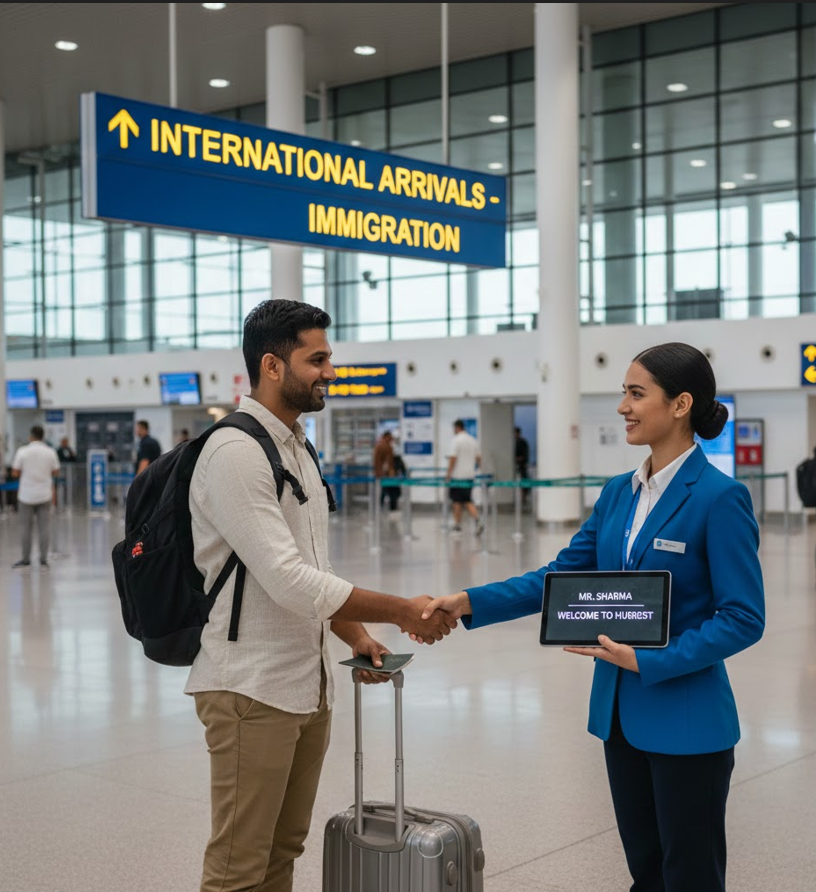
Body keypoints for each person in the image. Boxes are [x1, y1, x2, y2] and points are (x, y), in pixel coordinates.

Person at [420, 343, 765, 892]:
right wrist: (469, 601)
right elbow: (559, 579)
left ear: (680, 404)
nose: (623, 407)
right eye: (623, 393)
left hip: (688, 721)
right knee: (646, 871)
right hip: (619, 718)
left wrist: (650, 660)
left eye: (636, 394)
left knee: (690, 876)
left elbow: (743, 616)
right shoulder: (617, 494)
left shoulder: (719, 498)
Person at [185, 299, 455, 892]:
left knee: (282, 850)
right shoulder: (235, 453)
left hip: (305, 685)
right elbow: (289, 580)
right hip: (250, 688)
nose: (330, 371)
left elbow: (315, 569)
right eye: (317, 359)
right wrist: (402, 609)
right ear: (272, 366)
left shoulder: (297, 447)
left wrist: (357, 635)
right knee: (238, 865)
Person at [11, 425, 60, 570]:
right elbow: (56, 472)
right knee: (44, 528)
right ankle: (43, 560)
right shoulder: (50, 452)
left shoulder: (23, 451)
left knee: (25, 529)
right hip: (45, 495)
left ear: (31, 436)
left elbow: (15, 472)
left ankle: (25, 559)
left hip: (26, 496)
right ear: (43, 436)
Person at [446, 419, 482, 534]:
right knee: (465, 499)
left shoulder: (456, 440)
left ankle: (462, 524)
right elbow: (479, 458)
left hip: (458, 476)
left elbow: (453, 458)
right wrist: (476, 469)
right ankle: (462, 523)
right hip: (470, 475)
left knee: (459, 501)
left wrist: (448, 474)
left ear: (457, 428)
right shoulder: (473, 440)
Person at [373, 429, 400, 511]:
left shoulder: (382, 445)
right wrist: (383, 472)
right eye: (390, 437)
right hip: (386, 473)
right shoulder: (384, 446)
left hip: (385, 473)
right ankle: (390, 507)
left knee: (386, 490)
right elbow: (383, 461)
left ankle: (383, 507)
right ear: (386, 437)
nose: (392, 439)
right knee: (389, 490)